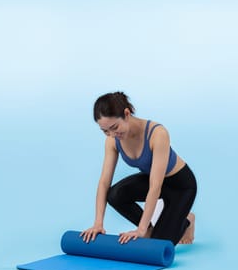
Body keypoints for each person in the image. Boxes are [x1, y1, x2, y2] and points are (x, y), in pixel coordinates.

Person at [80, 91, 197, 246]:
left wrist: (140, 230)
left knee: (158, 245)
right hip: (154, 181)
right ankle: (150, 228)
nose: (112, 134)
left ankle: (187, 219)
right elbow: (104, 182)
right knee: (115, 194)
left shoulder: (157, 134)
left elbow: (155, 186)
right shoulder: (112, 141)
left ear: (126, 113)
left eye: (114, 127)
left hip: (180, 187)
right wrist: (98, 223)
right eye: (105, 131)